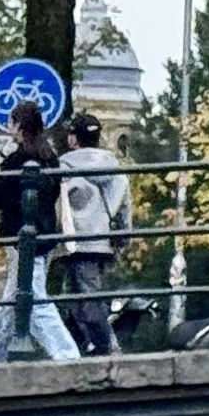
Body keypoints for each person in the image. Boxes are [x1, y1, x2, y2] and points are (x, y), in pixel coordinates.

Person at [0, 101, 78, 363]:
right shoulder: (50, 158)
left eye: (11, 123)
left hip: (23, 240)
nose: (8, 128)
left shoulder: (19, 160)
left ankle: (68, 356)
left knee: (31, 298)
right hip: (44, 237)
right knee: (14, 301)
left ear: (20, 126)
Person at [48, 111, 131, 352]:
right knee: (82, 294)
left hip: (76, 241)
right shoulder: (115, 168)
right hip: (104, 241)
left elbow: (57, 206)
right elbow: (125, 205)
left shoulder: (63, 167)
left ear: (74, 139)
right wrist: (123, 236)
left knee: (85, 297)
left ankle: (106, 347)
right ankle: (79, 347)